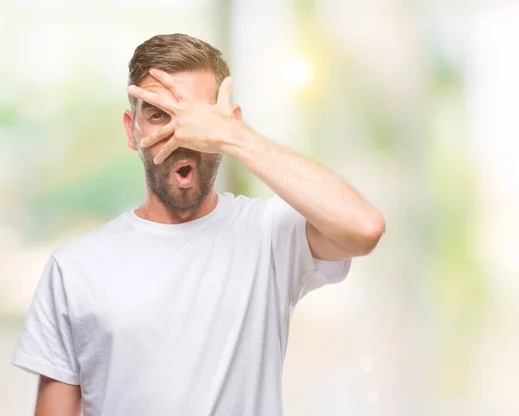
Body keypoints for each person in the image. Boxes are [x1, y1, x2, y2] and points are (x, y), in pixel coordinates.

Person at [11, 33, 386, 416]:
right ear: (131, 130)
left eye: (200, 118)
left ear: (229, 125)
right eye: (160, 115)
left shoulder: (270, 234)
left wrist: (233, 138)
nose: (182, 136)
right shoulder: (74, 268)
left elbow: (364, 227)